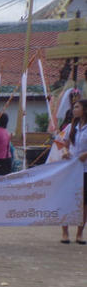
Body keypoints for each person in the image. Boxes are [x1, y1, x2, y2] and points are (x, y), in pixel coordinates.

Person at [59, 98, 87, 244]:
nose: (74, 110)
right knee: (67, 199)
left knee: (83, 203)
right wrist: (65, 151)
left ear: (85, 110)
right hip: (70, 168)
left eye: (77, 107)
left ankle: (80, 233)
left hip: (85, 169)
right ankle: (65, 232)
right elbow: (65, 144)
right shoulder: (71, 127)